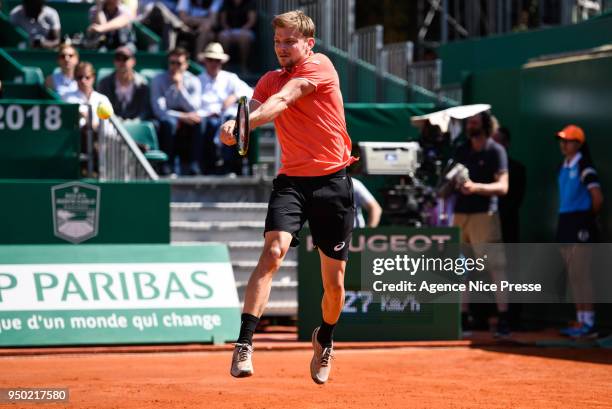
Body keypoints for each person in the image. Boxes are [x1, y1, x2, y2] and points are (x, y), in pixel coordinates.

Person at [220, 10, 356, 384]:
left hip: (333, 184)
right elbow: (257, 105)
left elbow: (282, 101)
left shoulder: (321, 67)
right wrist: (232, 125)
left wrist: (247, 121)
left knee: (335, 284)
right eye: (277, 42)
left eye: (289, 42)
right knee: (273, 252)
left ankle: (324, 339)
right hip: (292, 183)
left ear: (308, 44)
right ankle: (244, 343)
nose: (281, 48)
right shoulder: (267, 79)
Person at [452, 110, 510, 337]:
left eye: (474, 121)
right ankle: (463, 319)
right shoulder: (461, 150)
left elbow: (503, 187)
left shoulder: (497, 150)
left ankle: (504, 319)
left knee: (496, 269)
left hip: (485, 215)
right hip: (460, 215)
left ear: (485, 124)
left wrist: (476, 188)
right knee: (460, 269)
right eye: (468, 122)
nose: (470, 125)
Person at [555, 125, 603, 338]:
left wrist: (586, 219)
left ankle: (589, 323)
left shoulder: (585, 167)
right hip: (565, 221)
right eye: (562, 140)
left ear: (578, 144)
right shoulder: (563, 166)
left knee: (582, 273)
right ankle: (580, 320)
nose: (563, 144)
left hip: (580, 222)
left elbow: (597, 198)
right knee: (573, 274)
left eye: (568, 141)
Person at [197, 42, 252, 174]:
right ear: (205, 61)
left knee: (231, 124)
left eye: (217, 60)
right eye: (210, 60)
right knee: (208, 124)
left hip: (226, 116)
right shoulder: (197, 80)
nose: (214, 63)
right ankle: (206, 166)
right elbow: (194, 104)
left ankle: (230, 165)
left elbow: (249, 92)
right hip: (205, 117)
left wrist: (234, 96)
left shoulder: (230, 77)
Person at [150, 47, 203, 176]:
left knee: (200, 122)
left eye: (178, 63)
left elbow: (194, 108)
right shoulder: (158, 80)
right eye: (172, 63)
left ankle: (194, 165)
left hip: (186, 118)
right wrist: (182, 116)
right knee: (169, 123)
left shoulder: (194, 80)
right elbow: (159, 111)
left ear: (186, 65)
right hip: (168, 118)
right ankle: (168, 165)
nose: (174, 67)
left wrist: (181, 88)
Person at [97, 45, 152, 121]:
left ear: (133, 61)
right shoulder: (104, 83)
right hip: (112, 125)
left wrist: (134, 123)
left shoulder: (142, 84)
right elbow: (100, 108)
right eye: (118, 59)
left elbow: (145, 111)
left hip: (137, 126)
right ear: (114, 62)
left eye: (125, 58)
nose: (121, 62)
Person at [492, 126, 526, 243]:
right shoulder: (483, 167)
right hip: (484, 229)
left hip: (507, 229)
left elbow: (516, 201)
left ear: (506, 144)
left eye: (498, 141)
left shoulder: (517, 169)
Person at [218, 0, 256, 74]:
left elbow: (252, 21)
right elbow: (223, 21)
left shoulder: (250, 3)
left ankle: (244, 66)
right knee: (223, 36)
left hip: (245, 30)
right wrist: (228, 29)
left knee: (244, 38)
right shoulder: (226, 3)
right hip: (229, 30)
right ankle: (223, 66)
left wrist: (243, 30)